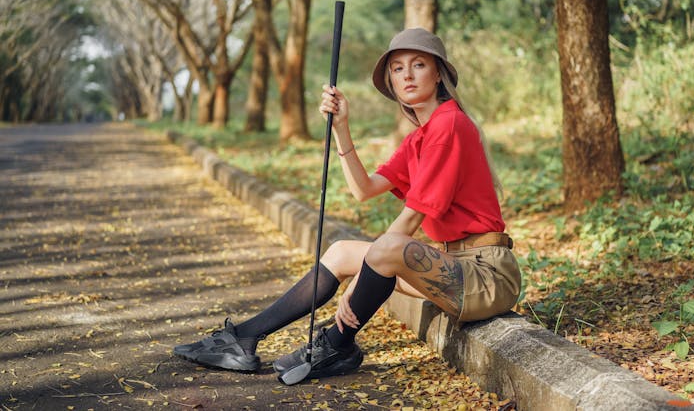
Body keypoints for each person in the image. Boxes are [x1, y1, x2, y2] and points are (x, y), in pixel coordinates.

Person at [173, 27, 522, 379]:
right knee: (341, 252)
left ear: (438, 74)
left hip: (485, 277)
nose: (408, 75)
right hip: (452, 266)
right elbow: (364, 188)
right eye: (398, 68)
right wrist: (341, 127)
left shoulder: (449, 125)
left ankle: (337, 344)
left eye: (419, 65)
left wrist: (359, 281)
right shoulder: (421, 135)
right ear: (391, 80)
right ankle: (244, 338)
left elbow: (411, 219)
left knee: (387, 248)